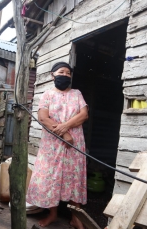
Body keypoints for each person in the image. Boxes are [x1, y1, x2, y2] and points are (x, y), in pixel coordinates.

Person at [26, 62, 89, 229]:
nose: (66, 75)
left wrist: (65, 126)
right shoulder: (47, 94)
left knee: (74, 177)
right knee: (51, 176)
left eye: (68, 73)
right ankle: (52, 214)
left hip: (74, 144)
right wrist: (63, 133)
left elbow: (83, 115)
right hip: (52, 144)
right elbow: (43, 118)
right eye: (62, 72)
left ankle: (75, 217)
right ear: (53, 75)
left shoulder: (77, 94)